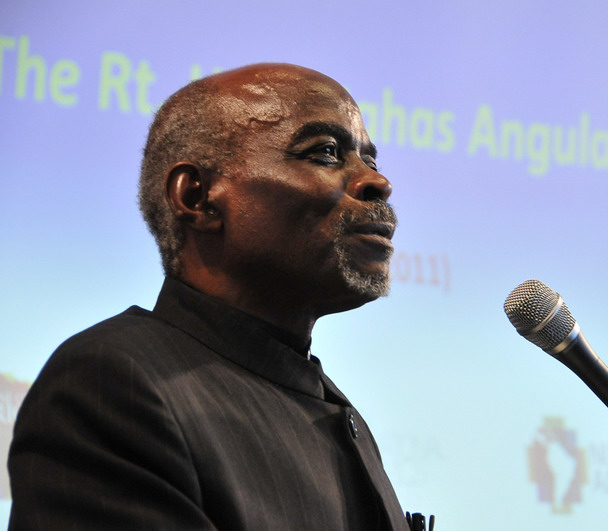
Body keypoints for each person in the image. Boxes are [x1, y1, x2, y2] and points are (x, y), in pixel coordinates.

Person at [8, 63, 410, 529]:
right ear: (197, 197)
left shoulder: (331, 405)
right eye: (325, 152)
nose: (378, 182)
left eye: (370, 161)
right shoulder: (114, 386)